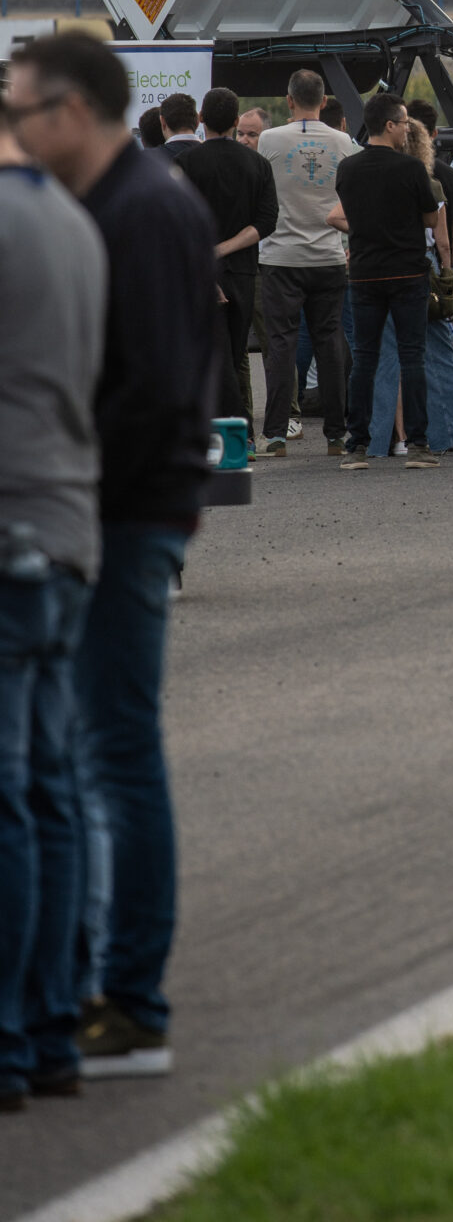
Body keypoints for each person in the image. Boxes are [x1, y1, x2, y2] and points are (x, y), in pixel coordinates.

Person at [7, 31, 220, 1080]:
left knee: (112, 752)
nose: (15, 129)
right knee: (86, 755)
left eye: (23, 109)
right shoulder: (120, 204)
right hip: (120, 508)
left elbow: (152, 388)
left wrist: (76, 495)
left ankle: (129, 996)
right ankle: (99, 980)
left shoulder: (142, 211)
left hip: (125, 514)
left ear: (74, 110)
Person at [0, 112, 107, 1109]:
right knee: (49, 787)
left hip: (14, 533)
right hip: (65, 524)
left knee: (13, 795)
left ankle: (13, 1035)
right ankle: (51, 1025)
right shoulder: (73, 220)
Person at [329, 93, 449, 468]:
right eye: (403, 122)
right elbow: (431, 220)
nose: (407, 129)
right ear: (390, 125)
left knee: (365, 358)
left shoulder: (348, 168)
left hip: (364, 273)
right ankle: (417, 445)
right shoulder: (411, 170)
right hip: (408, 272)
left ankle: (356, 446)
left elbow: (346, 215)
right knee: (412, 357)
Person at [164, 88, 279, 447]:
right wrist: (228, 248)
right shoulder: (257, 164)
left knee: (211, 355)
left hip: (200, 273)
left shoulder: (185, 165)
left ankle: (231, 432)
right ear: (234, 122)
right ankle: (233, 432)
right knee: (232, 353)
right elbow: (267, 220)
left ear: (201, 120)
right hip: (244, 272)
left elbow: (176, 223)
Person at [363, 114, 453, 460]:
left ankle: (386, 438)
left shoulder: (377, 174)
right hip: (423, 263)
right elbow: (446, 238)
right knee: (438, 350)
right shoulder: (437, 178)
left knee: (386, 354)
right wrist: (447, 274)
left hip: (379, 261)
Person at [256, 71, 354, 458]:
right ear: (324, 101)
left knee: (281, 343)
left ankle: (277, 434)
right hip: (329, 254)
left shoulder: (269, 139)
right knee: (330, 342)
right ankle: (337, 434)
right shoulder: (343, 142)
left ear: (289, 100)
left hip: (281, 255)